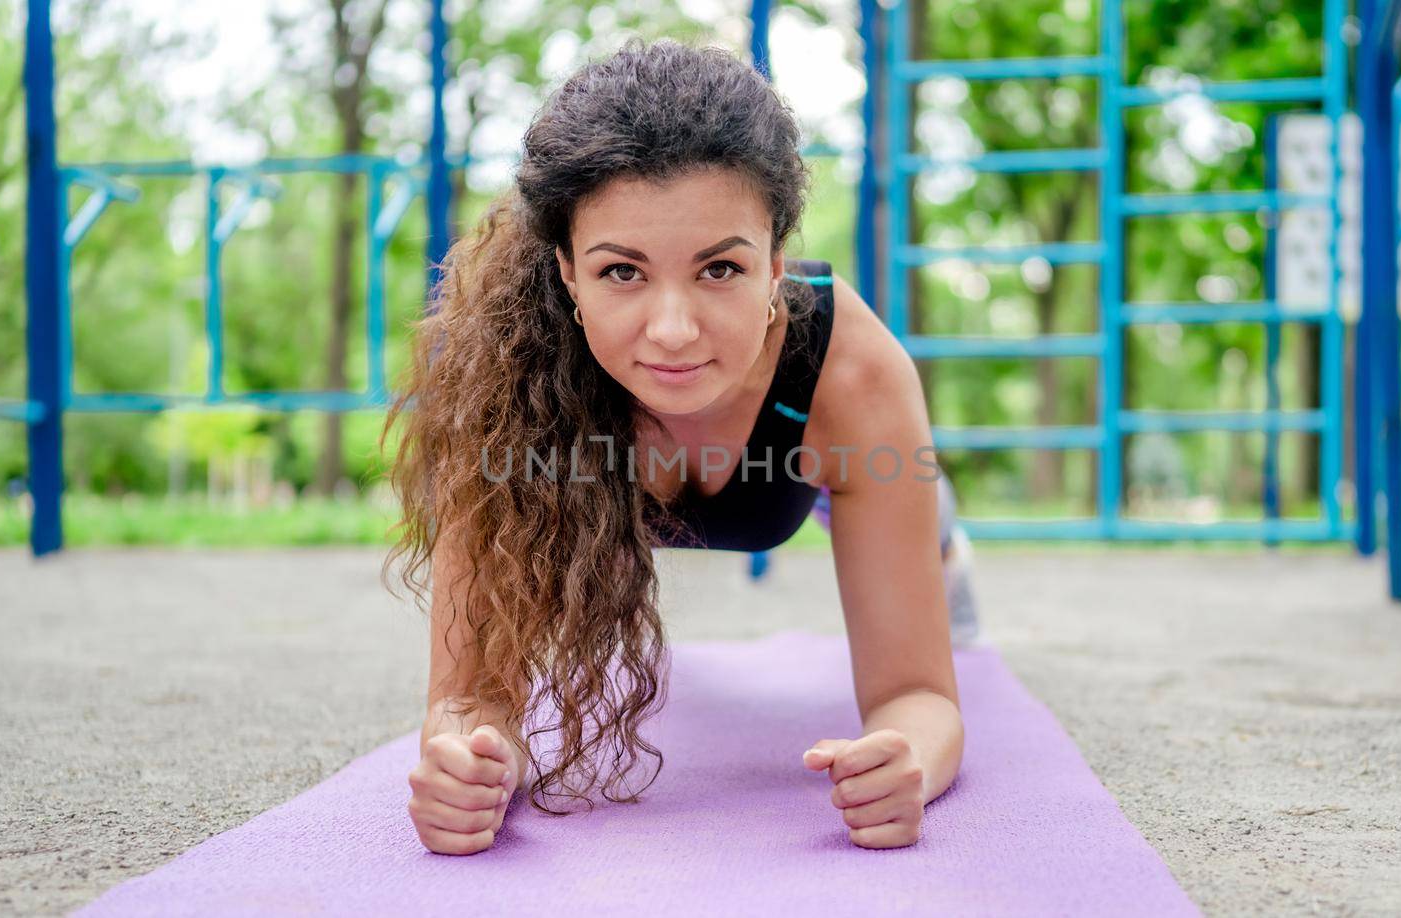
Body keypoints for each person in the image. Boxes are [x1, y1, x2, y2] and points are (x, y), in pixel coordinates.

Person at [384, 38, 979, 859]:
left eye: (720, 270)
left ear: (776, 266)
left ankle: (940, 538)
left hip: (812, 470)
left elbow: (917, 694)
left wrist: (906, 755)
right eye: (623, 272)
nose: (672, 331)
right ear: (566, 274)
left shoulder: (856, 376)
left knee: (909, 493)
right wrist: (474, 763)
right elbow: (468, 700)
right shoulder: (504, 391)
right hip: (598, 453)